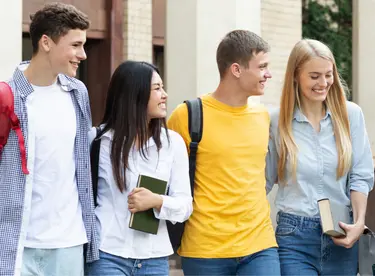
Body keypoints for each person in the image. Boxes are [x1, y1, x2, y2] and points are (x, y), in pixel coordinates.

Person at [168, 30, 280, 276]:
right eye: (262, 67)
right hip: (205, 250)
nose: (268, 74)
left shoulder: (263, 118)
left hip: (260, 245)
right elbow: (165, 175)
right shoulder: (187, 116)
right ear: (237, 70)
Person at [0, 3, 98, 276]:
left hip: (68, 243)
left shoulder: (78, 93)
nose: (83, 54)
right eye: (75, 45)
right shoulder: (7, 98)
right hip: (15, 244)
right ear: (46, 42)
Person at [266, 39, 374, 275]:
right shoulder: (276, 122)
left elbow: (360, 175)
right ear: (295, 76)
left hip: (342, 232)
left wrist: (358, 222)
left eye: (328, 74)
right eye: (314, 76)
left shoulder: (351, 115)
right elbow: (263, 181)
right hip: (293, 236)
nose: (323, 83)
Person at [84, 61, 193, 276]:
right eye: (157, 88)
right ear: (135, 94)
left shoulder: (173, 143)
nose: (165, 95)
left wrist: (157, 201)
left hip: (154, 257)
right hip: (107, 254)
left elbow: (185, 205)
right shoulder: (97, 141)